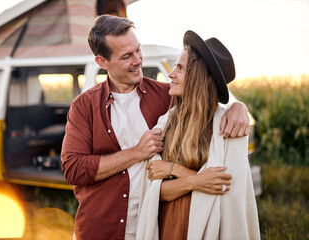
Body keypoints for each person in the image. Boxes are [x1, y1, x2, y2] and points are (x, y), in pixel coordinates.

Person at [61, 15, 250, 240]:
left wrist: (239, 107)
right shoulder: (84, 106)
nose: (138, 60)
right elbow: (73, 168)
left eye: (138, 50)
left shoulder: (165, 96)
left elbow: (206, 97)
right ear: (103, 62)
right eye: (126, 56)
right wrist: (136, 153)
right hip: (101, 229)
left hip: (151, 227)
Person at [136, 30, 260, 240]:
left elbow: (224, 188)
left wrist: (174, 170)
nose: (171, 74)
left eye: (181, 68)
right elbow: (155, 191)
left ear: (200, 77)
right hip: (170, 225)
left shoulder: (228, 127)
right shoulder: (165, 123)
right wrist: (196, 180)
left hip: (215, 228)